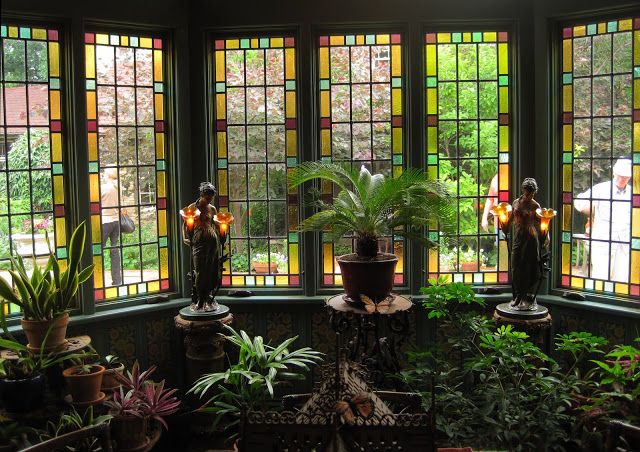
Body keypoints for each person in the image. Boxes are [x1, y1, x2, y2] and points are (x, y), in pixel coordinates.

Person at [574, 158, 632, 282]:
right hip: (603, 243)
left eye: (626, 176)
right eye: (620, 175)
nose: (622, 179)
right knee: (600, 279)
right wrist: (590, 210)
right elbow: (579, 203)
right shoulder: (601, 189)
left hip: (624, 245)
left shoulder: (634, 193)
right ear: (614, 173)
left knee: (622, 279)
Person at [182, 182, 221, 311]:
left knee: (211, 270)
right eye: (207, 197)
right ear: (201, 194)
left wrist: (222, 237)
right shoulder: (192, 207)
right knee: (199, 271)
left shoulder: (212, 208)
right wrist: (185, 237)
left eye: (211, 197)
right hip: (198, 240)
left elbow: (217, 225)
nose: (209, 199)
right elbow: (185, 224)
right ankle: (200, 299)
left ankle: (208, 297)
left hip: (212, 241)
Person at [509, 178, 544, 310]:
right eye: (528, 192)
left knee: (528, 267)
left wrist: (546, 238)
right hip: (518, 237)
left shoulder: (535, 206)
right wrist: (503, 222)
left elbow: (543, 224)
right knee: (515, 266)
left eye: (532, 193)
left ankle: (524, 296)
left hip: (530, 238)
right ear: (523, 190)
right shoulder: (516, 203)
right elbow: (510, 219)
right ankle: (519, 294)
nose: (530, 195)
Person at [101, 167, 122, 286]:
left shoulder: (103, 188)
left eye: (104, 174)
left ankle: (97, 279)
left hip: (105, 222)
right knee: (114, 250)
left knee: (99, 250)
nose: (102, 175)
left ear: (108, 175)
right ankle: (117, 281)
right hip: (116, 222)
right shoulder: (118, 187)